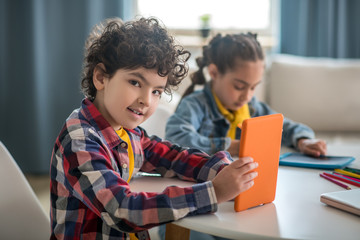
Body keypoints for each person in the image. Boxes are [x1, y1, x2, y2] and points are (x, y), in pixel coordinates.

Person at [50, 17, 259, 240]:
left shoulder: (127, 132)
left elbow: (172, 156)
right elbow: (123, 210)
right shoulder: (80, 139)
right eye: (135, 83)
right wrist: (214, 193)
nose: (146, 100)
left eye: (156, 91)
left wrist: (221, 170)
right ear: (101, 77)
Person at [165, 33, 327, 158]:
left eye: (253, 88)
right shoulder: (195, 105)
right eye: (239, 87)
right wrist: (232, 146)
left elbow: (287, 128)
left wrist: (303, 140)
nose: (247, 96)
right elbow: (175, 137)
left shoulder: (252, 108)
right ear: (214, 72)